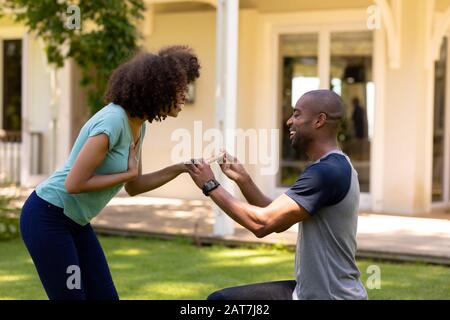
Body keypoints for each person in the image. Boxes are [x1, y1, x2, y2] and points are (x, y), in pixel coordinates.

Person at [20, 45, 200, 300]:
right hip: (48, 217)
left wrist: (180, 168)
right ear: (157, 89)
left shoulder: (139, 126)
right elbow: (74, 183)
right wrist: (126, 175)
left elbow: (134, 185)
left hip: (76, 221)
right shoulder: (113, 121)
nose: (184, 96)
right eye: (179, 89)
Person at [186, 90, 368, 300]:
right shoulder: (331, 166)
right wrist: (244, 180)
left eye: (297, 114)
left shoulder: (327, 173)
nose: (290, 121)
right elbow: (278, 220)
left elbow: (262, 224)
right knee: (221, 300)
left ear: (319, 120)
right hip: (306, 292)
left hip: (331, 297)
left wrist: (210, 185)